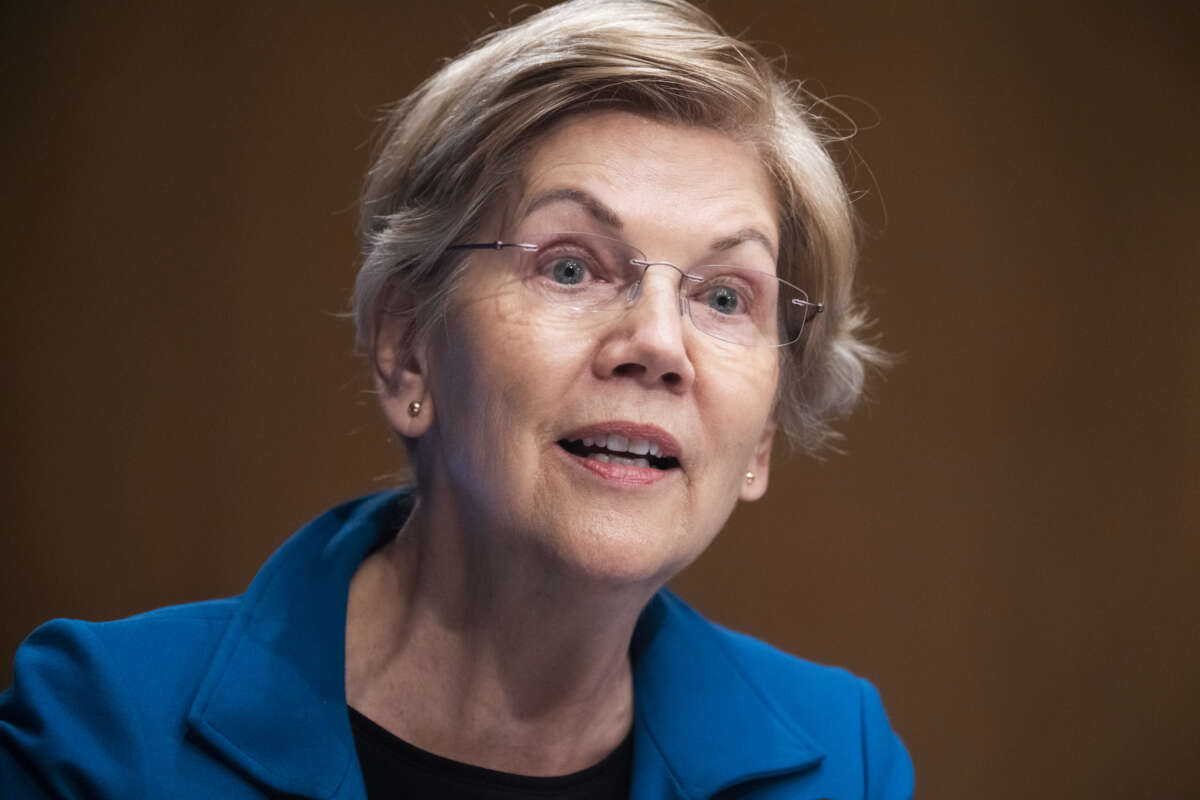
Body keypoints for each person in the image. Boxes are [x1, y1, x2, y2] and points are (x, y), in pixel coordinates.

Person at [0, 0, 913, 797]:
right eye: (570, 267)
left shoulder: (843, 763)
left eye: (724, 297)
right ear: (408, 350)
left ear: (761, 440)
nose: (658, 347)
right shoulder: (105, 731)